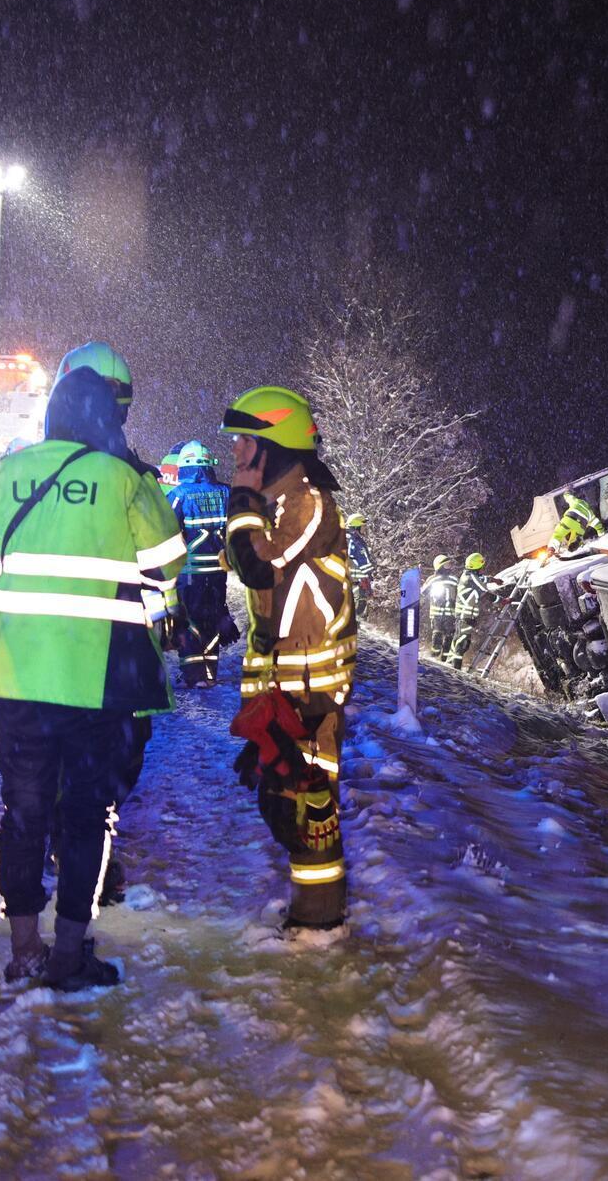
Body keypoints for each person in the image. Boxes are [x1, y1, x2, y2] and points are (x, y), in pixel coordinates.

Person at [0, 367, 186, 990]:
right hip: (97, 679)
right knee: (87, 814)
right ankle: (69, 952)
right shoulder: (122, 481)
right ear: (107, 421)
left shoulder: (7, 473)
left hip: (20, 677)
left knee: (24, 812)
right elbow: (169, 566)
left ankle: (23, 949)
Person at [221, 386, 354, 931]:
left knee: (309, 806)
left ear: (272, 446)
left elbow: (256, 565)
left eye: (245, 442)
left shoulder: (307, 503)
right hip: (286, 687)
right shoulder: (280, 504)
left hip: (311, 691)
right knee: (282, 800)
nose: (235, 453)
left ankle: (319, 924)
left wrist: (242, 498)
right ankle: (311, 912)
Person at [53, 340, 179, 906]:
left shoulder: (23, 473)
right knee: (106, 767)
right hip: (111, 654)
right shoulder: (130, 477)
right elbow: (166, 559)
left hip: (44, 653)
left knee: (54, 769)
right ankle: (88, 869)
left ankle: (63, 860)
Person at [167, 440, 234, 688]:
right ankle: (209, 673)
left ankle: (193, 675)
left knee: (189, 620)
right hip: (218, 571)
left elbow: (165, 531)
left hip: (190, 572)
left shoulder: (178, 495)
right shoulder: (227, 492)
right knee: (213, 618)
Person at [448, 552, 499, 670]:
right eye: (481, 565)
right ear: (477, 565)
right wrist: (502, 600)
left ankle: (450, 664)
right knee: (462, 643)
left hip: (464, 615)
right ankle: (456, 669)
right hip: (465, 615)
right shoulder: (471, 578)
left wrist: (492, 579)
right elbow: (485, 592)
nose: (482, 567)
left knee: (458, 638)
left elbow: (480, 578)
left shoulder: (468, 575)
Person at [423, 554, 459, 663]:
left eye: (450, 565)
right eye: (447, 565)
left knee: (449, 636)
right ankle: (434, 656)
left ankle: (445, 659)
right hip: (436, 614)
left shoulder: (454, 579)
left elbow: (460, 592)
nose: (449, 567)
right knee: (437, 634)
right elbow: (424, 591)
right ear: (440, 566)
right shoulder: (432, 579)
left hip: (450, 614)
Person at [546, 489, 605, 555]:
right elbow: (598, 525)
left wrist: (567, 491)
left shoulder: (576, 501)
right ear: (588, 506)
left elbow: (568, 496)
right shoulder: (591, 514)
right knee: (576, 537)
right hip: (580, 526)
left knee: (558, 534)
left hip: (569, 519)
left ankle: (551, 549)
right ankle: (574, 544)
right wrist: (602, 535)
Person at [343, 512, 377, 607]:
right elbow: (359, 561)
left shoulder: (352, 539)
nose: (364, 529)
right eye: (363, 526)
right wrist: (367, 577)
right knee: (358, 609)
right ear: (356, 526)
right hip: (355, 582)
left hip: (354, 581)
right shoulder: (352, 541)